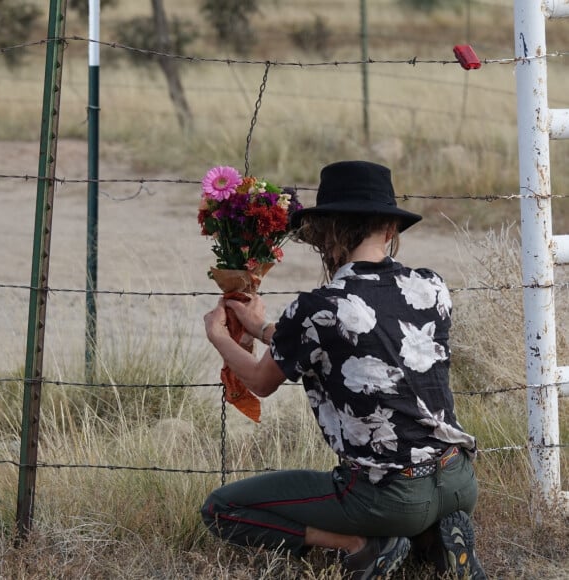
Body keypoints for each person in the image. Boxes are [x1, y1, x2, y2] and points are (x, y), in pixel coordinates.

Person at [201, 160, 486, 580]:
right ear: (390, 229)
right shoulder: (432, 287)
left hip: (388, 496)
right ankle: (433, 540)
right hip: (458, 480)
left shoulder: (318, 307)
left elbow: (261, 381)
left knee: (221, 508)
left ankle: (365, 545)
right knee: (423, 501)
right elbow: (366, 331)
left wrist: (219, 337)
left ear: (326, 233)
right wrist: (262, 328)